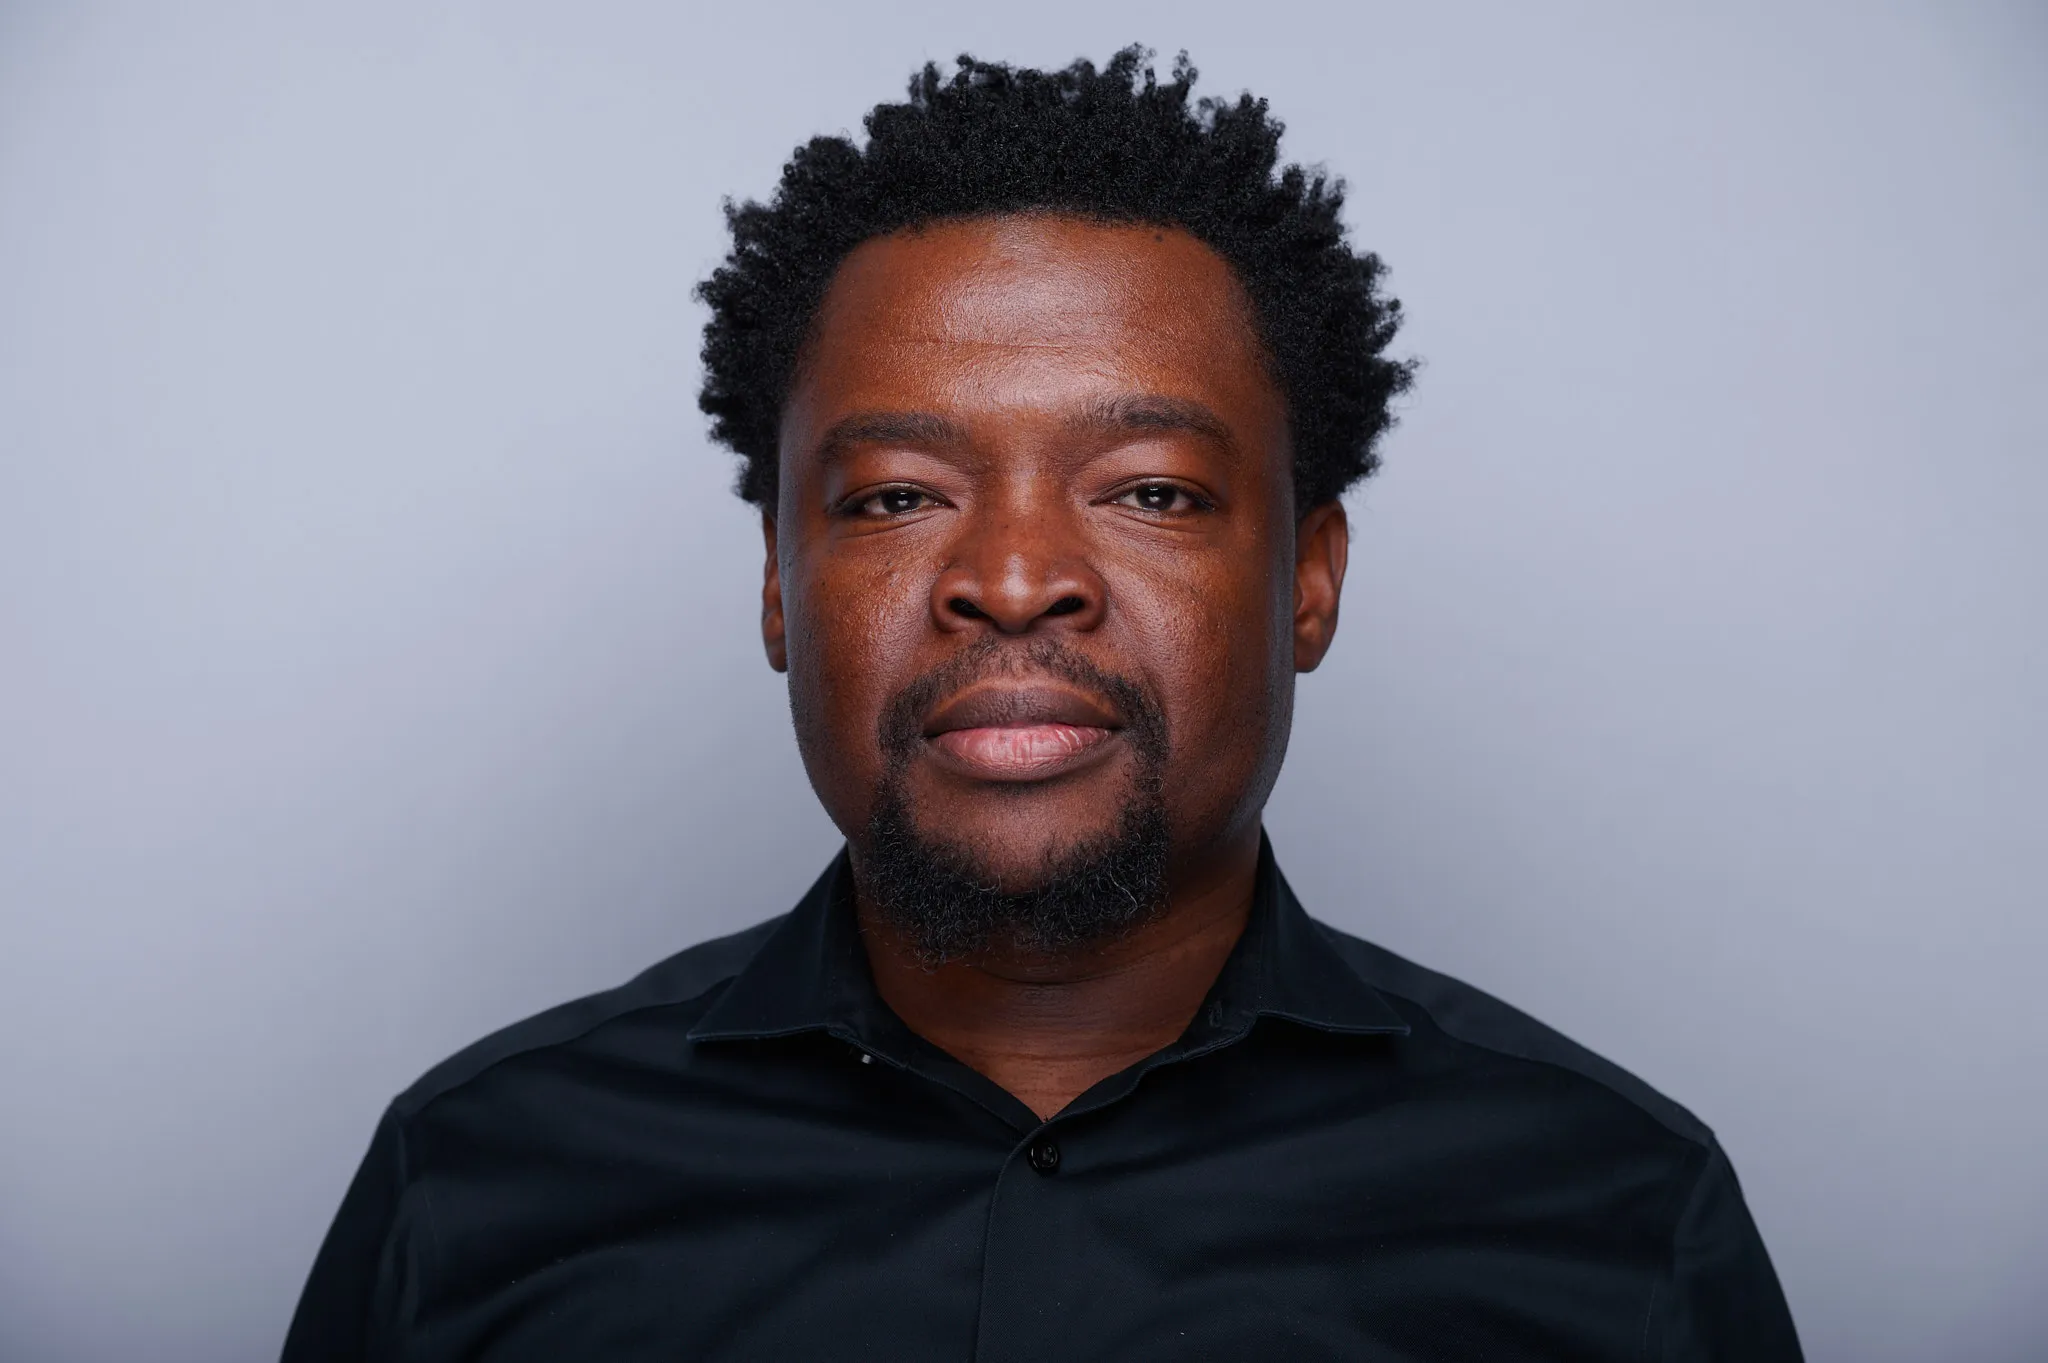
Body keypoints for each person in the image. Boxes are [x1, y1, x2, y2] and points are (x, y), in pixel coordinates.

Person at [283, 47, 1801, 1362]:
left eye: (1151, 489)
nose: (1013, 580)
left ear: (1310, 579)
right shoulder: (469, 1186)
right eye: (896, 494)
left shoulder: (1616, 1216)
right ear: (777, 586)